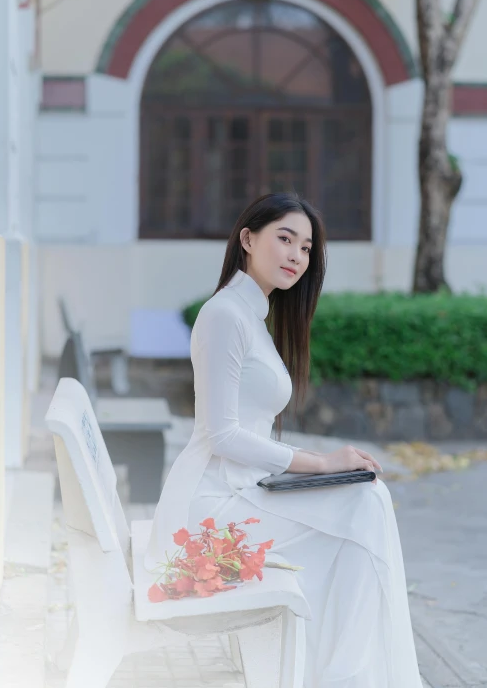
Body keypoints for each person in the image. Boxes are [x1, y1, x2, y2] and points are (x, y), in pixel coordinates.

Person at [145, 192, 423, 687]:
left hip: (243, 490)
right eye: (285, 238)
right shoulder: (225, 315)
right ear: (248, 239)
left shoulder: (251, 317)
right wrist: (317, 462)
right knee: (364, 506)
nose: (296, 255)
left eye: (307, 247)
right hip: (211, 507)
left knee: (367, 501)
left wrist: (319, 467)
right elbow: (222, 433)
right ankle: (347, 676)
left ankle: (344, 673)